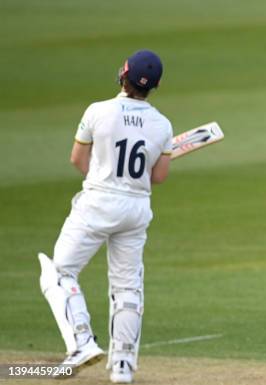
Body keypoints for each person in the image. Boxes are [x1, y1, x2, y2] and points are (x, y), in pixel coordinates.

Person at [38, 49, 173, 383]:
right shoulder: (162, 125)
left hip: (98, 200)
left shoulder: (98, 111)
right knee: (128, 287)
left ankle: (82, 341)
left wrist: (101, 175)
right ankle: (123, 366)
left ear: (123, 75)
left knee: (59, 272)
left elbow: (77, 159)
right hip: (136, 207)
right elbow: (158, 177)